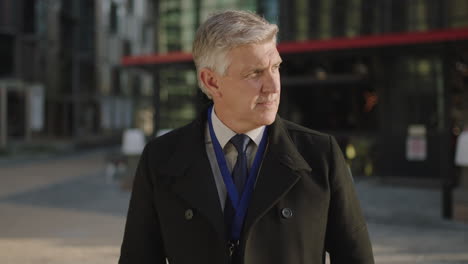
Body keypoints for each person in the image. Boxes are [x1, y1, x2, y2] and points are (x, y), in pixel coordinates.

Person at [119, 10, 374, 264]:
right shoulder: (160, 159)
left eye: (275, 68)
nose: (274, 86)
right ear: (211, 82)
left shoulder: (321, 155)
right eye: (255, 73)